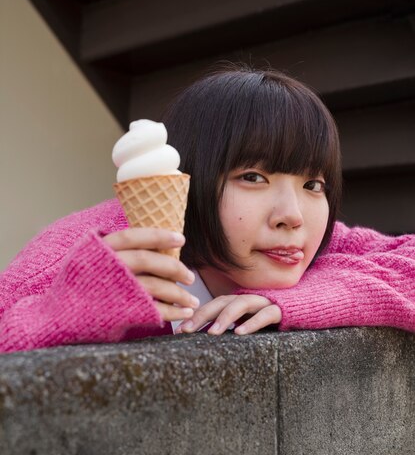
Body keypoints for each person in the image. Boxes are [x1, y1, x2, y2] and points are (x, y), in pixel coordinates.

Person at [1, 65, 414, 354]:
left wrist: (311, 299)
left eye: (313, 185)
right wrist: (62, 312)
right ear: (190, 177)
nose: (293, 216)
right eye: (253, 177)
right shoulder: (87, 249)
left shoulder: (319, 243)